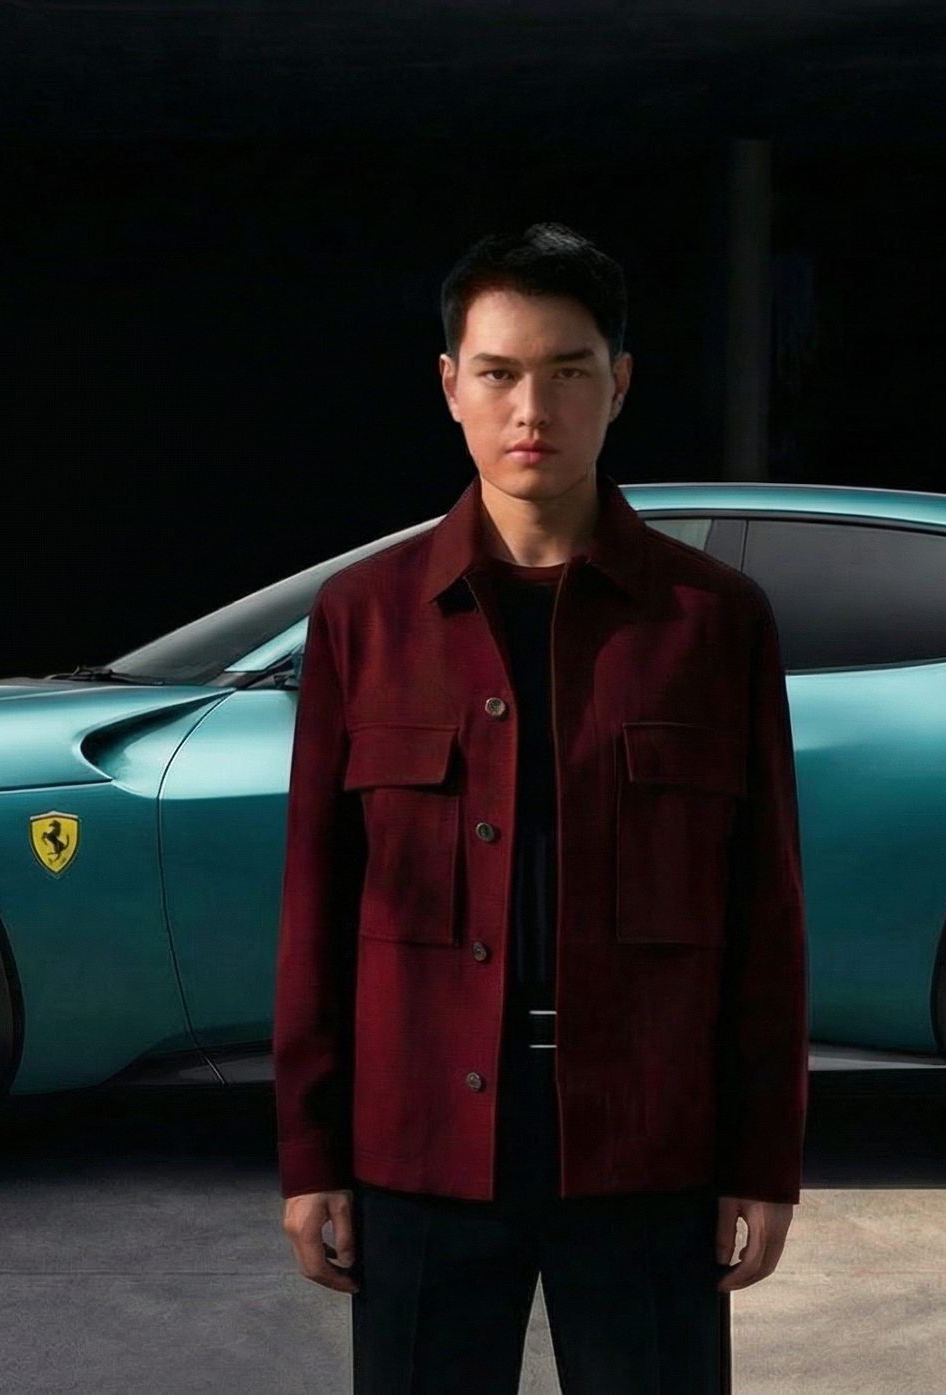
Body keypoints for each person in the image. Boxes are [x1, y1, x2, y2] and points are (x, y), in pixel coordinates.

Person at [273, 221, 808, 1395]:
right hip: (419, 1145)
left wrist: (762, 1161)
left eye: (568, 372)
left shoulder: (710, 622)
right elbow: (317, 903)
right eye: (501, 373)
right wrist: (312, 1155)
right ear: (450, 387)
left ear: (618, 386)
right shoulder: (364, 618)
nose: (533, 409)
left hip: (643, 1143)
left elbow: (764, 915)